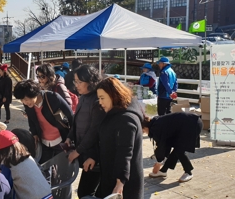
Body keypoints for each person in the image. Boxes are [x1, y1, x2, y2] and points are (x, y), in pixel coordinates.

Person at [85, 77, 144, 198]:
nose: (100, 102)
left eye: (102, 98)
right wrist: (94, 156)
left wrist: (120, 182)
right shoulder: (113, 113)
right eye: (98, 98)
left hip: (125, 181)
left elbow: (125, 152)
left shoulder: (126, 119)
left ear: (114, 96)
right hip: (109, 173)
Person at [65, 65, 105, 198]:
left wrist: (77, 151)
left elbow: (94, 131)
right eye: (75, 81)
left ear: (91, 81)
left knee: (85, 192)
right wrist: (70, 137)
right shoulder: (83, 97)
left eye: (79, 82)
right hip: (85, 151)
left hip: (95, 155)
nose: (76, 85)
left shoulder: (97, 100)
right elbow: (76, 121)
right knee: (85, 191)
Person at [13, 79, 73, 163]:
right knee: (45, 168)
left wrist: (70, 137)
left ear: (33, 93)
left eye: (26, 99)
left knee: (62, 167)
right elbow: (31, 119)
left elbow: (71, 116)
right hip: (44, 142)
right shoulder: (28, 105)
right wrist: (34, 134)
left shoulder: (53, 97)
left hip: (61, 140)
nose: (24, 102)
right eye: (22, 100)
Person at [0, 130, 52, 199]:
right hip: (49, 195)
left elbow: (4, 186)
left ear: (1, 152)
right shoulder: (27, 157)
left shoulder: (8, 163)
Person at [143, 112, 203, 183]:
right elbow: (166, 145)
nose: (143, 133)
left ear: (145, 127)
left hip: (193, 124)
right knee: (177, 149)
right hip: (186, 125)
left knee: (179, 150)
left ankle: (188, 172)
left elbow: (161, 146)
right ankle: (163, 171)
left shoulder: (156, 128)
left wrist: (159, 163)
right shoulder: (154, 124)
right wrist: (160, 160)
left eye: (143, 131)